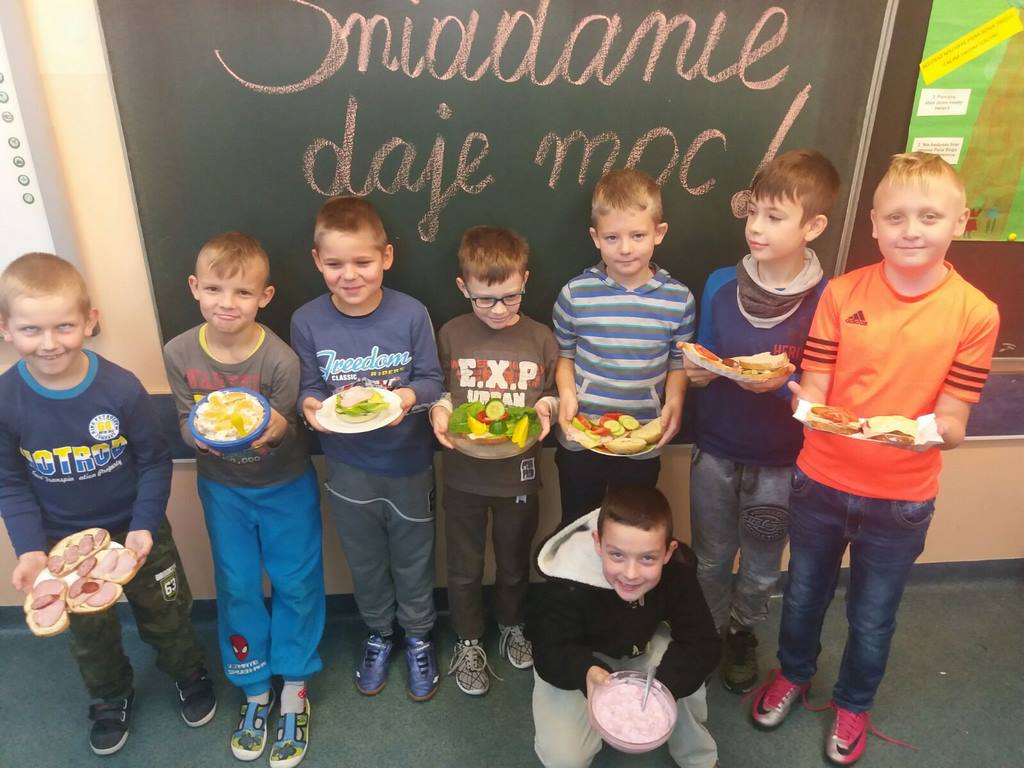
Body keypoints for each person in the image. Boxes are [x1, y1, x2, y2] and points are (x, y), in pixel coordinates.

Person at [750, 152, 1000, 765]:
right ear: (873, 224)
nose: (910, 230)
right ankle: (794, 673)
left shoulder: (976, 313)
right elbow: (816, 386)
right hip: (820, 481)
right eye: (895, 218)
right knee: (802, 595)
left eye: (929, 217)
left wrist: (926, 432)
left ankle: (855, 703)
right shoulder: (841, 294)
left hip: (902, 498)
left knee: (872, 616)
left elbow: (955, 423)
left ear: (960, 222)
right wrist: (795, 396)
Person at [0, 253, 215, 756]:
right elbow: (10, 482)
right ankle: (110, 694)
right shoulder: (6, 398)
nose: (49, 343)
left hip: (136, 530)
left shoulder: (119, 387)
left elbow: (155, 461)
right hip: (62, 543)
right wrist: (30, 549)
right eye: (31, 330)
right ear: (5, 329)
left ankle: (188, 671)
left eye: (64, 326)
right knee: (89, 632)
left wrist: (143, 526)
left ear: (89, 321)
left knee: (166, 613)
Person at [163, 233, 324, 766]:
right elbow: (184, 418)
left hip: (285, 488)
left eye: (243, 292)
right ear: (194, 287)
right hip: (223, 490)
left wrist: (276, 430)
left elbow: (289, 427)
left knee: (296, 581)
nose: (226, 303)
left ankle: (295, 684)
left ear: (265, 296)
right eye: (214, 289)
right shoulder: (179, 352)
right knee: (236, 584)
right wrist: (197, 437)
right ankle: (253, 684)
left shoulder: (280, 358)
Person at [684, 149, 839, 694]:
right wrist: (698, 371)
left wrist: (780, 388)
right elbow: (706, 352)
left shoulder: (827, 299)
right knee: (710, 557)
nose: (755, 227)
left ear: (812, 227)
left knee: (762, 562)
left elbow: (827, 388)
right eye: (752, 213)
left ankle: (743, 633)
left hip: (780, 458)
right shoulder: (719, 283)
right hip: (716, 448)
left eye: (774, 217)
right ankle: (707, 632)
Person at [291, 196, 444, 702]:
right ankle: (379, 632)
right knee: (364, 559)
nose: (349, 275)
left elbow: (431, 380)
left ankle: (418, 635)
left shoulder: (411, 313)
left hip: (409, 463)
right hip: (347, 467)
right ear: (317, 261)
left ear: (386, 257)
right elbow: (309, 387)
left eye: (363, 261)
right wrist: (311, 408)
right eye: (335, 264)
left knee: (414, 557)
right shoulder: (307, 320)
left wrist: (405, 398)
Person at [430, 226, 558, 696]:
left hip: (518, 471)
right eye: (485, 299)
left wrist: (548, 409)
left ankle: (512, 624)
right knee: (464, 565)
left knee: (514, 560)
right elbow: (438, 388)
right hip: (464, 471)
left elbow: (553, 392)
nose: (499, 309)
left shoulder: (541, 338)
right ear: (463, 287)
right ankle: (468, 639)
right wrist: (440, 407)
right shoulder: (451, 334)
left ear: (525, 280)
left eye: (510, 296)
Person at [527, 486, 720, 768]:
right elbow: (549, 649)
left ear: (668, 552)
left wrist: (663, 687)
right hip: (581, 658)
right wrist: (585, 672)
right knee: (565, 758)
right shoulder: (565, 581)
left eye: (648, 558)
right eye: (616, 555)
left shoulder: (678, 573)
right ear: (598, 543)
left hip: (643, 648)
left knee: (688, 675)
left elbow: (703, 642)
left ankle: (699, 759)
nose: (630, 574)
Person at [552, 168, 695, 526]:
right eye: (612, 237)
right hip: (582, 436)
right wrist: (567, 394)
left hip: (642, 438)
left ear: (659, 233)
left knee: (632, 526)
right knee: (577, 523)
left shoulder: (678, 300)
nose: (626, 248)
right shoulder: (575, 294)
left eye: (638, 235)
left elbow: (678, 362)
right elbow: (564, 355)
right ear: (595, 238)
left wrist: (675, 402)